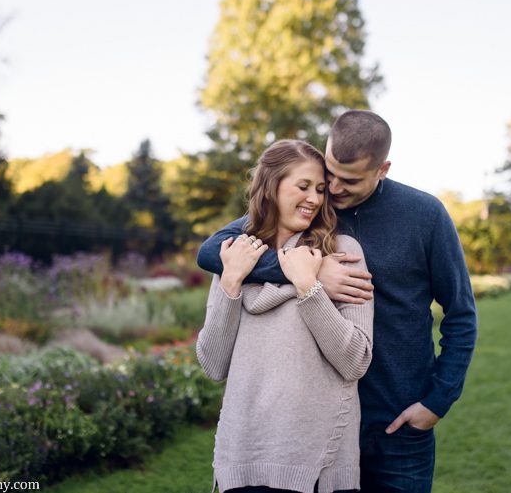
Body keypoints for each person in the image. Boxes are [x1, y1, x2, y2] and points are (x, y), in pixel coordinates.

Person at [198, 110, 477, 493]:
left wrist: (437, 401)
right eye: (330, 174)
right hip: (319, 421)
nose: (333, 189)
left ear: (382, 170)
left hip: (396, 419)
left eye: (350, 180)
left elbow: (461, 313)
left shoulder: (424, 215)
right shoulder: (313, 210)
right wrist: (305, 273)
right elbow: (212, 251)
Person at [196, 139, 374, 493]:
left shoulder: (341, 252)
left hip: (318, 465)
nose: (314, 199)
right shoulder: (235, 256)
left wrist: (308, 286)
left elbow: (355, 361)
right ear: (271, 186)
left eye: (320, 189)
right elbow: (213, 365)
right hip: (243, 458)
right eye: (303, 186)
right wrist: (231, 281)